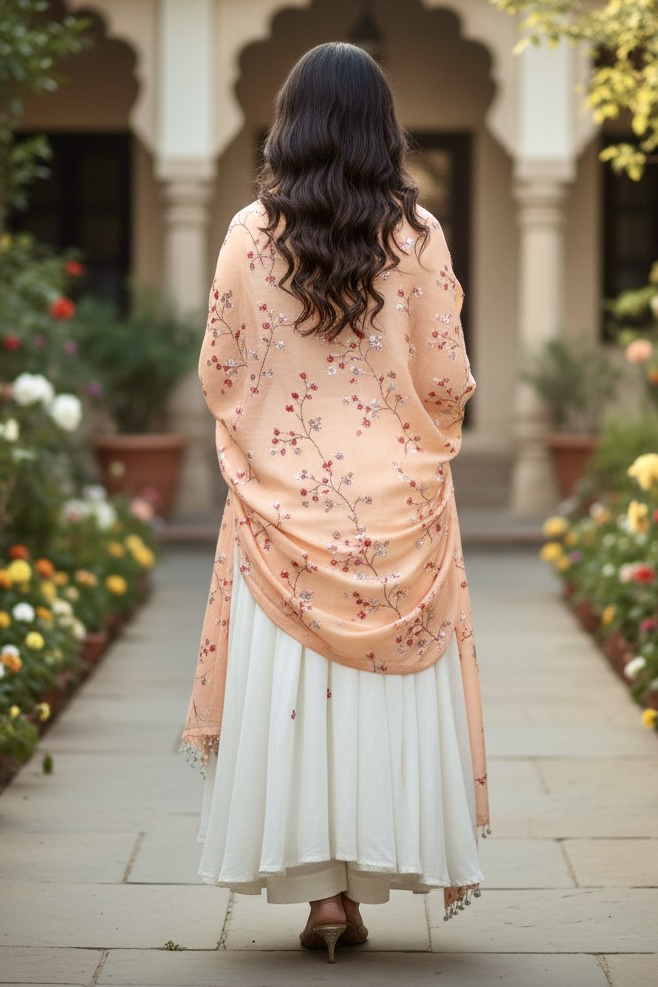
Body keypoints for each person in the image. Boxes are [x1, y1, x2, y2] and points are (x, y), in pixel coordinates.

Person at [181, 41, 490, 964]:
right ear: (380, 127)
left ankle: (321, 901)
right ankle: (361, 879)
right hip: (397, 507)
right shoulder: (420, 236)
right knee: (374, 704)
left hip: (282, 508)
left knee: (299, 704)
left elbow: (219, 368)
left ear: (294, 123)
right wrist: (408, 443)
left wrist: (267, 450)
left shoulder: (247, 232)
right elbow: (447, 377)